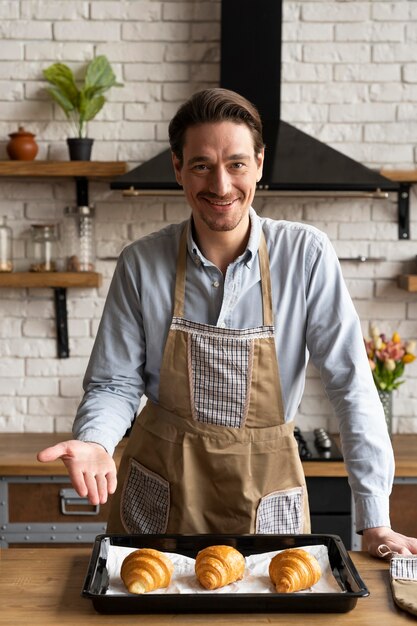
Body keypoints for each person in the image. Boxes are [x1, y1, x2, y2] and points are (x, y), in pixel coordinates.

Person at [38, 87, 417, 557]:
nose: (220, 185)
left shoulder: (305, 255)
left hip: (267, 497)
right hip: (159, 496)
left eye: (236, 163)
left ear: (259, 163)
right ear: (178, 169)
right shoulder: (141, 262)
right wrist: (95, 441)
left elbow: (352, 386)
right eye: (201, 165)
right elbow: (114, 385)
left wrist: (375, 519)